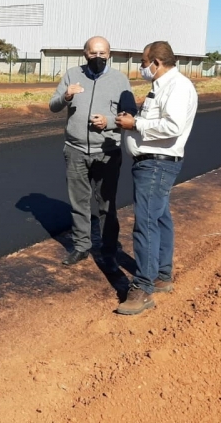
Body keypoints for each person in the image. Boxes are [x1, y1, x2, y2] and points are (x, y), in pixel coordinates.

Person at [115, 41, 198, 315]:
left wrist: (135, 124)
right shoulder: (162, 87)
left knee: (146, 223)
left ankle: (143, 287)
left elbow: (172, 126)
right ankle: (162, 275)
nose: (142, 68)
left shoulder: (177, 86)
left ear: (157, 63)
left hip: (156, 165)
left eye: (143, 62)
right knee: (160, 219)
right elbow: (159, 120)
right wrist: (134, 121)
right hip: (151, 163)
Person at [49, 36, 136, 270]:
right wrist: (66, 96)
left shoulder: (119, 79)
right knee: (79, 203)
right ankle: (81, 246)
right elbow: (53, 105)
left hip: (107, 152)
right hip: (75, 150)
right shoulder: (72, 75)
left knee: (106, 203)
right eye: (93, 53)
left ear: (110, 54)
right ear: (85, 53)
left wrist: (108, 122)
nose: (97, 57)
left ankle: (109, 247)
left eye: (102, 53)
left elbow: (129, 116)